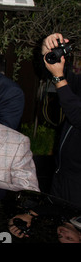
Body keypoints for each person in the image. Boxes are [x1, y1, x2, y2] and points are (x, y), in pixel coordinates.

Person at [42, 33, 81, 208]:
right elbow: (71, 84)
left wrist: (58, 77)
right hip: (61, 173)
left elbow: (76, 114)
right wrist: (49, 52)